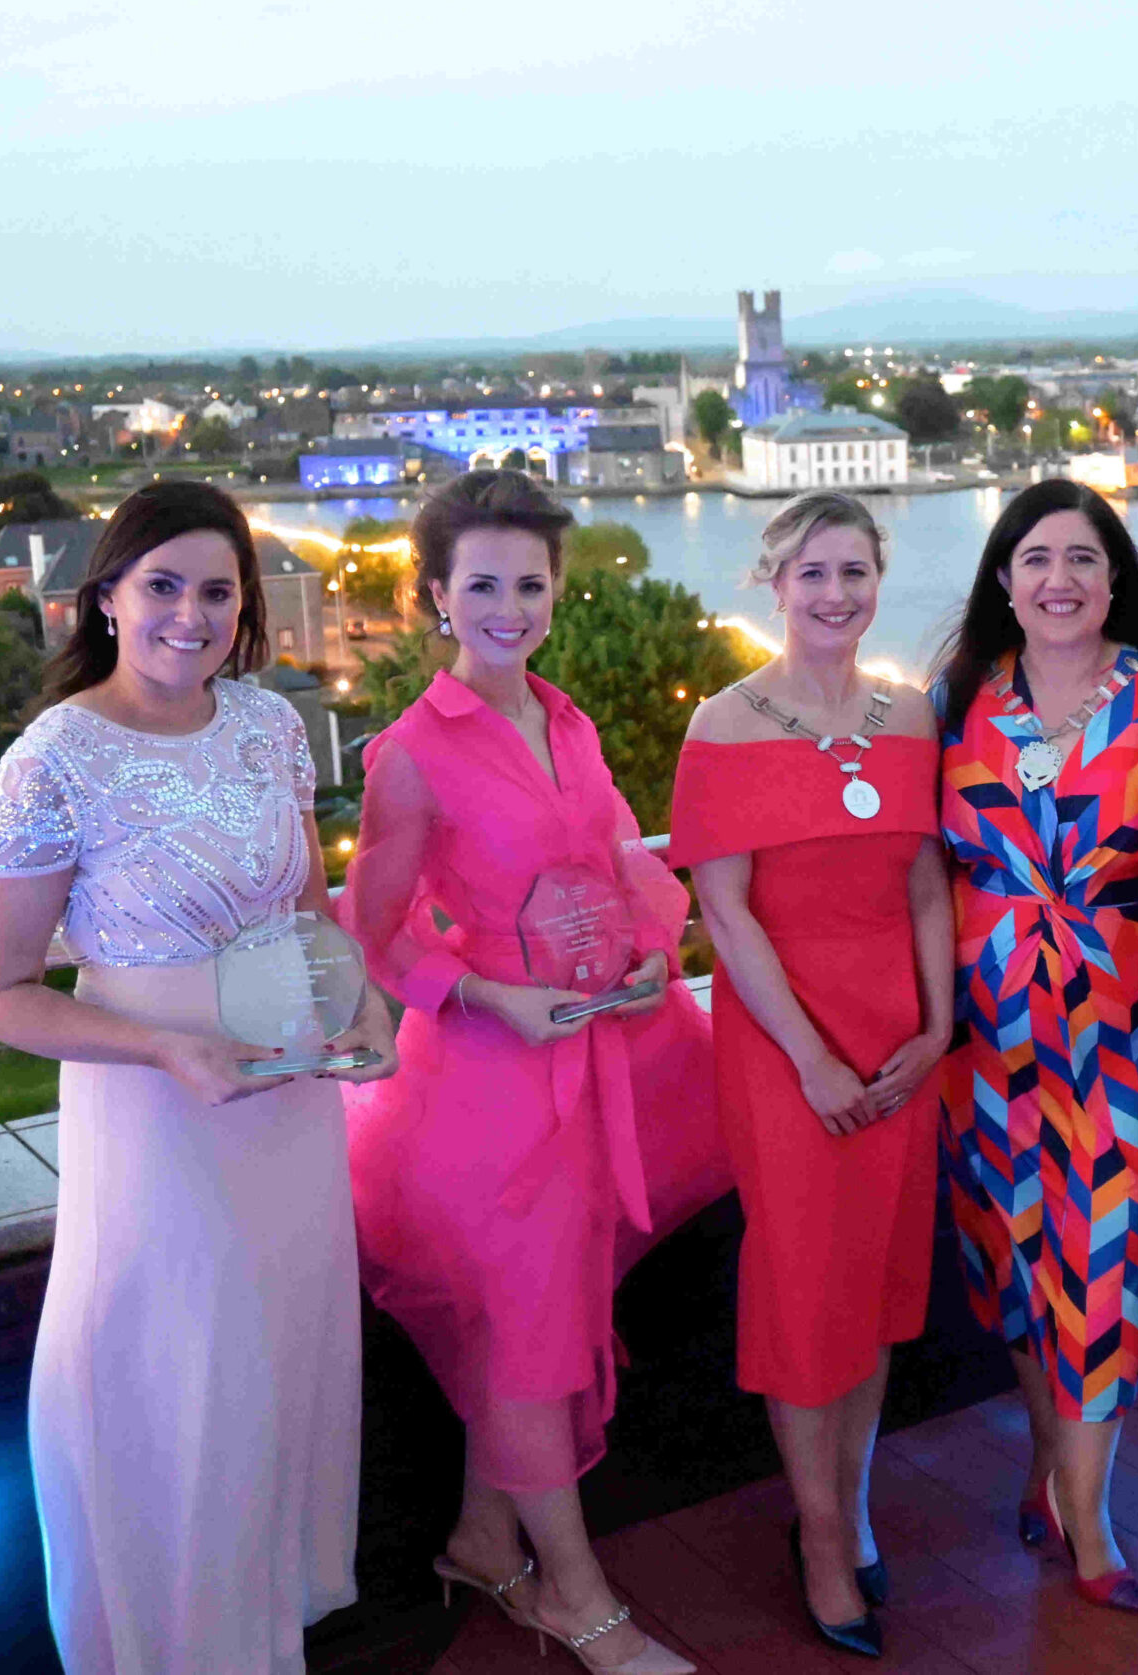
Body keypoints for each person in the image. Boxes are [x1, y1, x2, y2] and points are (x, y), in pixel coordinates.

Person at [0, 481, 395, 1675]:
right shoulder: (53, 761)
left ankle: (259, 1627)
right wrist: (162, 1046)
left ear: (245, 604)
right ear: (105, 598)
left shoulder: (264, 726)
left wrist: (363, 997)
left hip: (289, 1097)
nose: (189, 616)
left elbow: (306, 906)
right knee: (172, 1374)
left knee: (275, 1363)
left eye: (216, 590)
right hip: (155, 1111)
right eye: (162, 586)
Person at [339, 471, 707, 1675]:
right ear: (437, 596)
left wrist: (654, 953)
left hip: (603, 1053)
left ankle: (482, 1537)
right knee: (530, 1334)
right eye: (482, 584)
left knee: (533, 1320)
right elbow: (376, 930)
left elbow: (617, 856)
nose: (509, 605)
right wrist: (487, 992)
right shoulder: (408, 754)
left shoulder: (571, 720)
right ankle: (576, 1598)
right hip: (488, 1089)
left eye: (531, 584)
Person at [668, 492, 952, 1662]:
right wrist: (812, 1056)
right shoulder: (723, 727)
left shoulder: (911, 715)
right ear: (772, 583)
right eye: (811, 573)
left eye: (854, 571)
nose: (834, 594)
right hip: (786, 1045)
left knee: (875, 1283)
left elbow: (927, 883)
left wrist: (938, 1029)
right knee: (801, 1289)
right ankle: (823, 1538)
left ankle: (857, 1494)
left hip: (899, 1036)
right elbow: (722, 915)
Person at [926, 480, 1138, 1613]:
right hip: (983, 1035)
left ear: (1117, 578)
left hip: (1122, 1024)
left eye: (1083, 559)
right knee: (1017, 1267)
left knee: (1108, 1264)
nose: (1059, 581)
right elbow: (916, 867)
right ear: (1003, 580)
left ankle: (1090, 1521)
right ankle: (1053, 1473)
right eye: (1036, 559)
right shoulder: (957, 702)